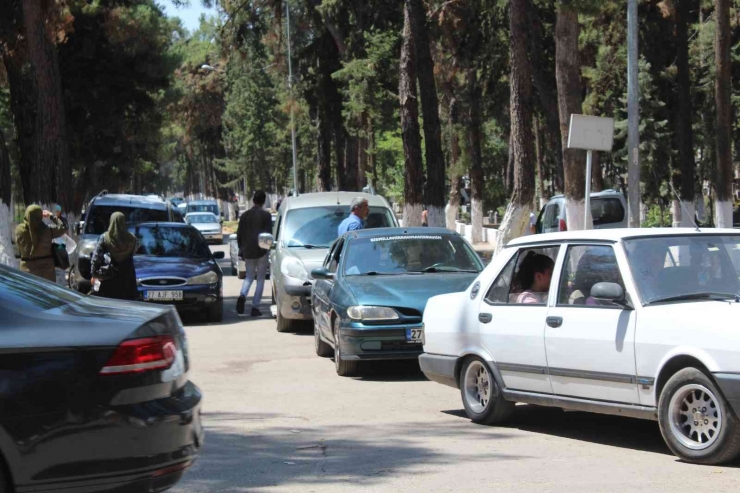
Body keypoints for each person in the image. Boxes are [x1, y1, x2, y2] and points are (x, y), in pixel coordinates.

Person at [236, 190, 272, 316]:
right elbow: (268, 235)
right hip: (262, 251)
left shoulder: (245, 215)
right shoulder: (266, 216)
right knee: (260, 279)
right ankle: (255, 307)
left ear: (253, 200)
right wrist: (267, 249)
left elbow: (239, 234)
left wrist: (241, 249)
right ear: (263, 201)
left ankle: (242, 295)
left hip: (248, 251)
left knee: (249, 276)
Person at [90, 212, 139, 301]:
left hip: (108, 279)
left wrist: (94, 274)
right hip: (127, 280)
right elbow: (134, 253)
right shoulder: (133, 239)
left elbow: (96, 258)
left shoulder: (104, 238)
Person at [15, 205, 67, 282]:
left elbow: (18, 247)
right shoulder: (48, 230)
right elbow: (63, 227)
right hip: (46, 272)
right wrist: (51, 215)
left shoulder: (19, 230)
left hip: (27, 271)